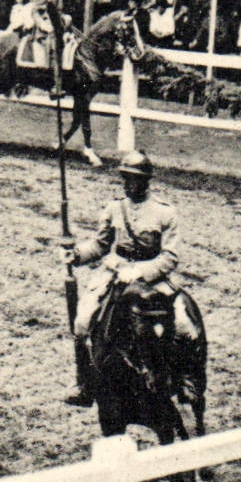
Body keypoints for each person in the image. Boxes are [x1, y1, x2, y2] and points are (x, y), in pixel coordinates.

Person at [60, 151, 201, 405]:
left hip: (152, 277)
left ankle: (186, 381)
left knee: (184, 326)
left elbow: (170, 257)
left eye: (134, 179)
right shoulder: (115, 208)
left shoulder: (165, 213)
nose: (128, 184)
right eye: (125, 178)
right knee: (82, 321)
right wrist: (77, 254)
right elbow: (101, 244)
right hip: (115, 272)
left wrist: (141, 272)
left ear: (146, 181)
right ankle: (85, 382)